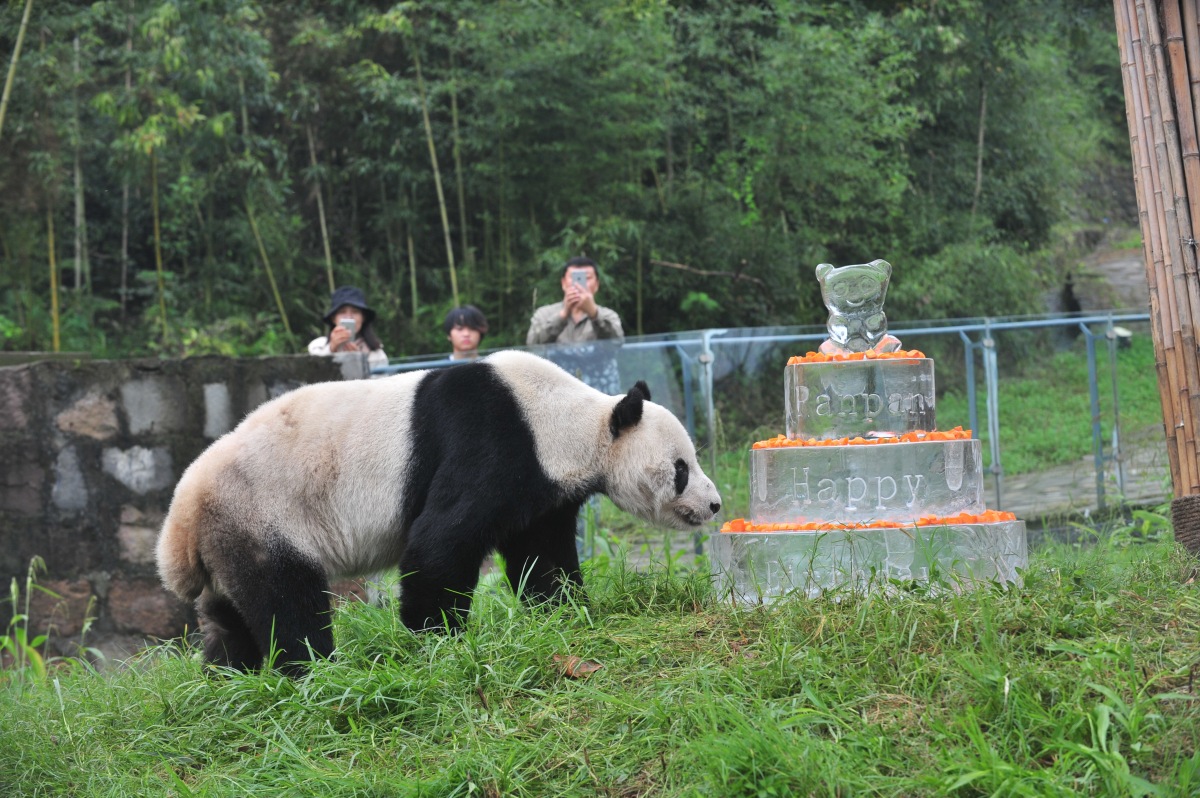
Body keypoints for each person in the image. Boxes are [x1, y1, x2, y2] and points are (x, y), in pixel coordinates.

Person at [526, 257, 624, 345]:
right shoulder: (543, 314)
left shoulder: (608, 315)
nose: (580, 284)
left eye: (587, 278)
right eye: (574, 278)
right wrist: (563, 315)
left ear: (597, 284)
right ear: (563, 283)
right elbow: (532, 345)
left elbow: (617, 343)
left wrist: (594, 314)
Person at [308, 285, 389, 370]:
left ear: (363, 317)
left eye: (355, 311)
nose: (349, 317)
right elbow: (314, 375)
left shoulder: (377, 354)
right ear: (333, 319)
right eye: (342, 312)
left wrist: (358, 362)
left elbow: (380, 381)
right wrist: (331, 350)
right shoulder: (317, 346)